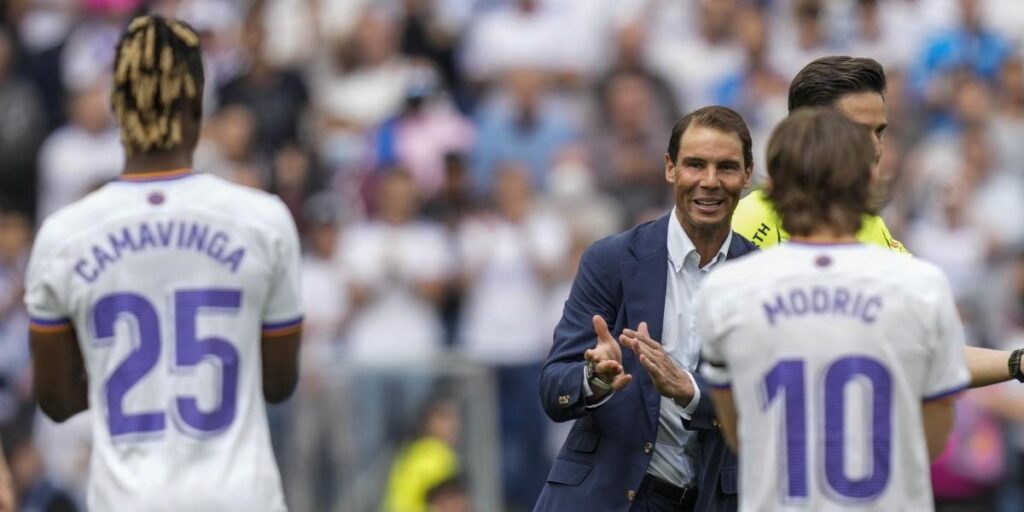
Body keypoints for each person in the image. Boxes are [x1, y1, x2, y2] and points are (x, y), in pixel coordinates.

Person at [24, 15, 301, 511]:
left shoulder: (64, 236)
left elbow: (58, 400)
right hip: (241, 497)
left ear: (116, 106)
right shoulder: (264, 220)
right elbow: (279, 383)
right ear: (198, 105)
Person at [699, 107, 968, 510]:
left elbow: (739, 431)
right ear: (865, 184)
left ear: (772, 189)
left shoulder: (725, 289)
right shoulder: (923, 286)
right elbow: (934, 435)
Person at [732, 55, 1024, 389]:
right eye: (858, 132)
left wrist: (1016, 362)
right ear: (807, 134)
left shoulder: (872, 229)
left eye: (880, 132)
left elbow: (926, 348)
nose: (875, 149)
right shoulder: (747, 223)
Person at [535, 106, 758, 512]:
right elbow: (554, 388)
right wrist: (593, 379)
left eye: (725, 167)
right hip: (605, 496)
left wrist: (690, 391)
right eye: (695, 165)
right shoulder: (611, 259)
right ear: (670, 168)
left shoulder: (764, 277)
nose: (710, 182)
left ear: (747, 175)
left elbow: (770, 404)